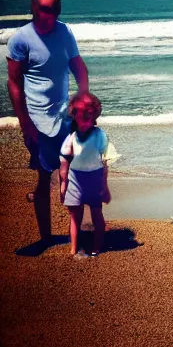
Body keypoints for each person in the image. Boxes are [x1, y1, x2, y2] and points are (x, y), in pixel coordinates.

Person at [6, 0, 89, 250]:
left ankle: (76, 232)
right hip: (37, 121)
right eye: (44, 9)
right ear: (33, 7)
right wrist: (25, 123)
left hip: (65, 118)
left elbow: (77, 65)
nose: (49, 14)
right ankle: (45, 238)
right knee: (44, 179)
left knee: (76, 174)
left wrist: (83, 101)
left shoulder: (65, 32)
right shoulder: (20, 40)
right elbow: (14, 83)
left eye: (54, 9)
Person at [59, 92, 113, 258]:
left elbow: (105, 163)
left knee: (97, 213)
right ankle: (73, 248)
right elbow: (64, 162)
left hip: (95, 179)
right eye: (79, 117)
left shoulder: (100, 136)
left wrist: (105, 187)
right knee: (75, 215)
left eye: (88, 117)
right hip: (75, 179)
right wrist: (63, 185)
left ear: (95, 116)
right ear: (74, 116)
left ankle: (97, 247)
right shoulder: (72, 137)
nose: (83, 122)